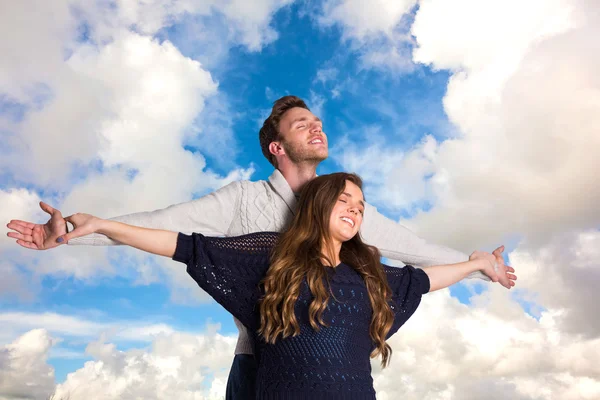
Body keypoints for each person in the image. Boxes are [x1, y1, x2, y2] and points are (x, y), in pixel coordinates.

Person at [6, 96, 517, 399]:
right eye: (302, 124)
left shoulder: (351, 209)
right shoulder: (244, 201)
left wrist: (480, 266)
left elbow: (420, 255)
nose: (317, 127)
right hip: (260, 364)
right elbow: (164, 230)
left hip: (337, 369)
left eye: (318, 121)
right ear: (277, 146)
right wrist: (75, 231)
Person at [56, 172, 504, 399]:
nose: (355, 209)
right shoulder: (274, 258)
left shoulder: (368, 274)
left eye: (362, 206)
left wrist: (474, 265)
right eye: (344, 199)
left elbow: (424, 279)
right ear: (318, 205)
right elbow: (185, 245)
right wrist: (104, 226)